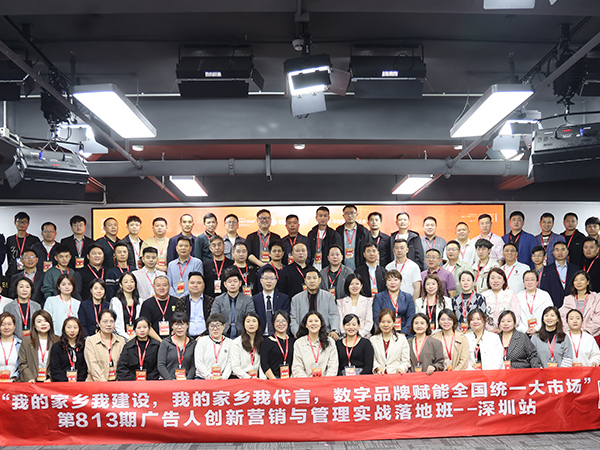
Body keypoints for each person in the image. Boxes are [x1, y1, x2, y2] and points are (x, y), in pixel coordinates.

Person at [290, 267, 340, 338]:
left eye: (314, 278)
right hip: (303, 335)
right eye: (309, 278)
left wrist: (334, 330)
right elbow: (293, 318)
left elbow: (334, 315)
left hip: (325, 334)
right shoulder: (296, 299)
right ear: (305, 281)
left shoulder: (328, 296)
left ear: (319, 280)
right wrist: (296, 332)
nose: (312, 281)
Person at [211, 268, 255, 339]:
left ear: (240, 283)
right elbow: (213, 318)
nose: (232, 284)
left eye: (235, 281)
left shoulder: (247, 300)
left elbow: (251, 318)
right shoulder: (218, 300)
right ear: (225, 284)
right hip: (223, 335)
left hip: (242, 336)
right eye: (229, 282)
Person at [292, 311, 338, 377]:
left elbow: (333, 366)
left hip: (326, 381)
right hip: (305, 382)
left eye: (316, 321)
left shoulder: (330, 342)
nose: (313, 323)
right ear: (306, 325)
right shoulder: (299, 343)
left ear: (321, 324)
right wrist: (308, 382)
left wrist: (325, 381)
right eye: (310, 321)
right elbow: (297, 368)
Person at [84, 309, 126, 381]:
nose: (109, 324)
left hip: (117, 384)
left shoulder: (121, 341)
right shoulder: (90, 341)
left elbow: (123, 365)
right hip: (96, 384)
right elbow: (93, 367)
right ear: (99, 323)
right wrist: (105, 385)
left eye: (111, 321)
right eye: (105, 321)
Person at [17, 310, 58, 382]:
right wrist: (30, 378)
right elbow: (22, 364)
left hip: (50, 382)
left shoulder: (58, 341)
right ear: (34, 325)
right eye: (39, 322)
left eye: (46, 321)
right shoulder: (26, 341)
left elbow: (60, 364)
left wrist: (51, 378)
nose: (43, 324)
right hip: (32, 381)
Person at [116, 316, 160, 380]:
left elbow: (159, 366)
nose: (142, 330)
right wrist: (134, 379)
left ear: (149, 329)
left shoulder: (156, 345)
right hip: (132, 382)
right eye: (139, 328)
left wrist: (148, 379)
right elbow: (121, 367)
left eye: (145, 327)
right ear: (134, 330)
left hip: (151, 381)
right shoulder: (128, 346)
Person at [372, 269, 414, 336]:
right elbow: (377, 317)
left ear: (400, 282)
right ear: (386, 283)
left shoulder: (408, 297)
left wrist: (403, 333)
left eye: (395, 280)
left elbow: (411, 317)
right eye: (389, 280)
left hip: (405, 333)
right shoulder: (379, 297)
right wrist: (387, 332)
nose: (392, 282)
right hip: (385, 332)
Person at [157, 312, 197, 380]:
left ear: (187, 325)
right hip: (168, 382)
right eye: (176, 324)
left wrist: (187, 380)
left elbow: (193, 366)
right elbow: (161, 365)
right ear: (172, 326)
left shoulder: (193, 344)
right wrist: (170, 380)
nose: (179, 327)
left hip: (187, 382)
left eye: (182, 324)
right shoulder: (165, 343)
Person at [560, 270, 600, 337]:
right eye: (576, 280)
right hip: (571, 335)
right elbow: (563, 317)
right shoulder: (568, 299)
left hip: (591, 335)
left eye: (582, 279)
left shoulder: (596, 298)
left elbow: (598, 317)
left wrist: (586, 331)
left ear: (587, 282)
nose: (578, 282)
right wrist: (571, 332)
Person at [538, 241, 578, 308]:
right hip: (554, 305)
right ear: (553, 253)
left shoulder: (575, 269)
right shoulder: (547, 270)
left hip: (573, 305)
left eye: (563, 249)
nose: (560, 252)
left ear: (567, 252)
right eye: (557, 250)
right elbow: (544, 289)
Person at [175, 272, 214, 339]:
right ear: (188, 285)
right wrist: (188, 338)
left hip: (207, 338)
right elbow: (178, 322)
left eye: (199, 283)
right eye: (192, 283)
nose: (195, 285)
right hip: (185, 339)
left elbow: (214, 321)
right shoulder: (181, 302)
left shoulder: (211, 301)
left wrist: (203, 336)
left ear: (204, 285)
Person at [252, 266, 290, 336]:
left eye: (272, 278)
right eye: (266, 278)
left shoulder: (284, 298)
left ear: (276, 281)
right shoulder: (254, 299)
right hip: (260, 336)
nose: (269, 281)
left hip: (278, 334)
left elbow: (286, 318)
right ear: (261, 281)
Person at [370, 308, 410, 374]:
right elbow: (372, 359)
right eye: (383, 322)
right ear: (379, 323)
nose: (386, 325)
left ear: (394, 323)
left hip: (396, 375)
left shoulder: (402, 339)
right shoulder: (372, 340)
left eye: (389, 322)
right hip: (379, 375)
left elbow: (406, 360)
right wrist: (377, 367)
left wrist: (401, 369)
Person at [139, 275, 178, 341]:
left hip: (175, 339)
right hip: (153, 341)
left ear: (169, 287)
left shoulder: (177, 302)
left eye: (164, 285)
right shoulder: (147, 304)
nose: (161, 288)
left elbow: (182, 322)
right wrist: (161, 341)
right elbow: (146, 325)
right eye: (158, 285)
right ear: (153, 287)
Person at [194, 313, 233, 379]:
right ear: (208, 327)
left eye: (218, 325)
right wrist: (208, 375)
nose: (215, 329)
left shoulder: (230, 343)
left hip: (221, 378)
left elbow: (230, 364)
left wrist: (224, 377)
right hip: (203, 378)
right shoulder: (202, 341)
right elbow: (198, 362)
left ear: (223, 326)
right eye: (212, 326)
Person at [481, 268, 520, 333]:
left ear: (504, 281)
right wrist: (490, 329)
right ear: (488, 281)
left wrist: (505, 328)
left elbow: (516, 315)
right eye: (492, 278)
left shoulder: (511, 294)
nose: (495, 281)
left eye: (499, 278)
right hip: (488, 333)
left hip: (508, 332)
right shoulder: (483, 296)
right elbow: (480, 316)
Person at [49, 317, 87, 381]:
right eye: (69, 327)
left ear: (79, 329)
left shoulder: (84, 346)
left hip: (81, 382)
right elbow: (55, 369)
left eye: (75, 327)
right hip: (62, 383)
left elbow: (85, 368)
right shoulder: (57, 347)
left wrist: (78, 381)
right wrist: (66, 381)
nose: (72, 330)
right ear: (64, 329)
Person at [516, 270, 553, 336]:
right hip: (523, 333)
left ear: (537, 281)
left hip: (542, 331)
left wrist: (536, 328)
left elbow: (549, 313)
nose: (529, 282)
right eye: (527, 280)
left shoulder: (544, 295)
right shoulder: (518, 296)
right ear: (523, 282)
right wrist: (525, 329)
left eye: (532, 280)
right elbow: (515, 316)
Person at [260, 310, 295, 379]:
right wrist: (275, 380)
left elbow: (296, 363)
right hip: (273, 379)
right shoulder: (267, 342)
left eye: (284, 320)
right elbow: (264, 364)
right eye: (277, 321)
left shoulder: (293, 342)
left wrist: (291, 379)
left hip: (290, 379)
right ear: (273, 323)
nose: (281, 324)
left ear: (288, 322)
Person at [336, 274, 373, 338]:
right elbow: (340, 322)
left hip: (363, 336)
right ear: (347, 286)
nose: (354, 286)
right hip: (345, 337)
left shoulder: (368, 301)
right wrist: (348, 334)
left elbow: (369, 322)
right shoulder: (340, 302)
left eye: (357, 284)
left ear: (361, 286)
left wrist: (360, 334)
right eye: (351, 284)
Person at [5, 212, 41, 278]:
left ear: (28, 223)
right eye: (19, 222)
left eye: (24, 222)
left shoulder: (34, 240)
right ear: (14, 223)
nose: (21, 224)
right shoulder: (10, 239)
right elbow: (9, 257)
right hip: (12, 272)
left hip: (29, 273)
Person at [335, 204, 370, 271]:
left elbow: (368, 250)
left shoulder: (363, 232)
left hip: (360, 268)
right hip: (342, 269)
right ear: (343, 216)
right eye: (347, 213)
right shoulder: (338, 231)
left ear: (356, 215)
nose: (350, 215)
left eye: (352, 213)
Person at [231, 312, 264, 378]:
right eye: (248, 321)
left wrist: (262, 379)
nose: (251, 324)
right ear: (243, 324)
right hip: (241, 378)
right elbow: (235, 366)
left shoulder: (262, 341)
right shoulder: (236, 342)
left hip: (257, 378)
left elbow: (263, 364)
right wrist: (249, 378)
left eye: (254, 321)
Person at [307, 206, 342, 270]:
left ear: (328, 218)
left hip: (327, 268)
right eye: (320, 216)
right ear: (316, 218)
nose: (323, 218)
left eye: (325, 216)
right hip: (312, 267)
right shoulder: (311, 233)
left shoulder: (334, 235)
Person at [0, 312, 22, 381]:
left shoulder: (20, 344)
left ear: (14, 326)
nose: (6, 327)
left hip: (14, 383)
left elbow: (22, 365)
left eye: (9, 324)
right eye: (3, 324)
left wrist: (14, 379)